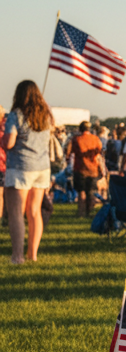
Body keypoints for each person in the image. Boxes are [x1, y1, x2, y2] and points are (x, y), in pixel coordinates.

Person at [3, 81, 55, 264]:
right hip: (42, 168)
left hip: (20, 167)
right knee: (34, 212)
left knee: (16, 213)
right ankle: (32, 254)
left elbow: (8, 143)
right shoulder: (46, 116)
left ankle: (17, 256)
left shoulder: (16, 115)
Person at [68, 119, 105, 217]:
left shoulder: (76, 139)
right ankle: (90, 212)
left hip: (80, 168)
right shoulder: (96, 139)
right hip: (93, 169)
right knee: (91, 191)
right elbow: (100, 152)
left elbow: (68, 152)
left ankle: (81, 212)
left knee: (81, 191)